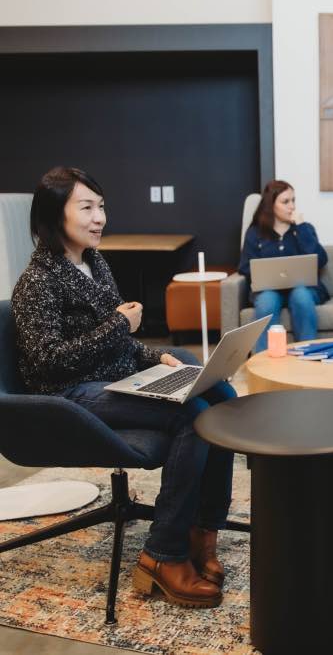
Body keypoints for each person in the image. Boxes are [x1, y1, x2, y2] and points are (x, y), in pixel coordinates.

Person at [11, 167, 236, 608]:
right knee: (191, 415)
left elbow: (121, 342)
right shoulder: (37, 281)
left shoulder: (95, 263)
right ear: (55, 215)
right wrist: (119, 323)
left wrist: (157, 358)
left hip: (114, 380)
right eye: (87, 207)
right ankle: (163, 554)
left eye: (102, 207)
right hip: (69, 395)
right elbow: (48, 362)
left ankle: (201, 530)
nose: (100, 218)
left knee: (221, 399)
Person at [239, 180, 329, 353]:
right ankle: (262, 362)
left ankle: (308, 354)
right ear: (271, 204)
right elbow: (244, 267)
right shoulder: (255, 233)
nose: (292, 206)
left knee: (301, 295)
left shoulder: (304, 228)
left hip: (304, 288)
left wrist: (301, 227)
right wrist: (265, 273)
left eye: (293, 200)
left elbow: (321, 260)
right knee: (267, 300)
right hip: (269, 290)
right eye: (286, 201)